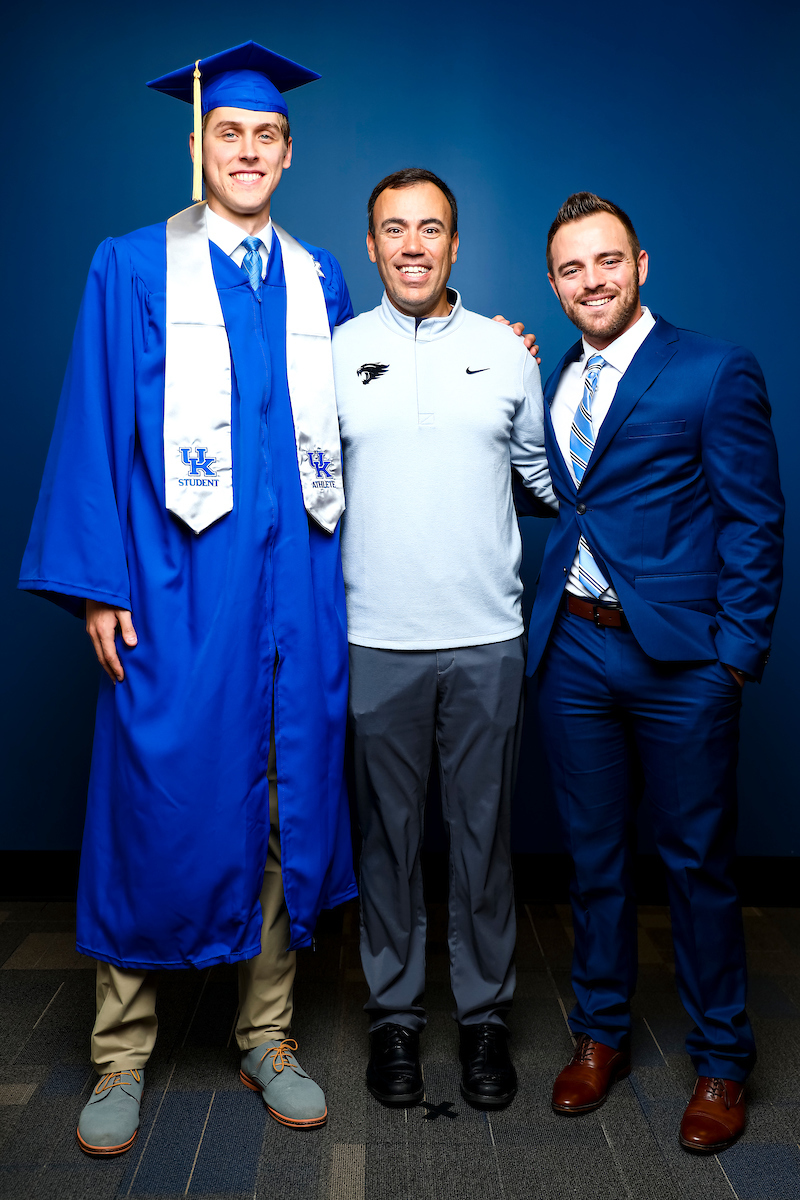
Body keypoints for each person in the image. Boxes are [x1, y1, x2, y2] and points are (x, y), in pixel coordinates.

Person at [18, 41, 358, 1153]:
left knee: (280, 793)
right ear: (198, 143)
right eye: (230, 133)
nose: (248, 150)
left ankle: (267, 1035)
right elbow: (92, 421)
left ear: (288, 150)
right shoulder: (130, 265)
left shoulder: (316, 279)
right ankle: (121, 1054)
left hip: (297, 588)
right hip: (175, 584)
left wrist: (475, 330)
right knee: (152, 798)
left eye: (266, 136)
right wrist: (98, 587)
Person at [528, 192, 783, 1152]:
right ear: (554, 284)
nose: (590, 281)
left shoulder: (714, 369)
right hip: (575, 651)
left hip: (683, 662)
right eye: (570, 269)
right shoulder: (556, 374)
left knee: (696, 865)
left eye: (606, 261)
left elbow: (756, 518)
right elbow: (573, 496)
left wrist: (735, 658)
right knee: (593, 863)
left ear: (642, 264)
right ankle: (599, 1036)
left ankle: (722, 1060)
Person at [332, 168, 556, 1111]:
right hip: (373, 638)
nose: (414, 245)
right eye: (394, 230)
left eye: (431, 229)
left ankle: (484, 1019)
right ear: (373, 246)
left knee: (483, 840)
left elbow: (548, 474)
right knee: (385, 841)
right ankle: (393, 1017)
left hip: (486, 638)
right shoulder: (332, 353)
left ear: (455, 246)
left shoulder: (508, 353)